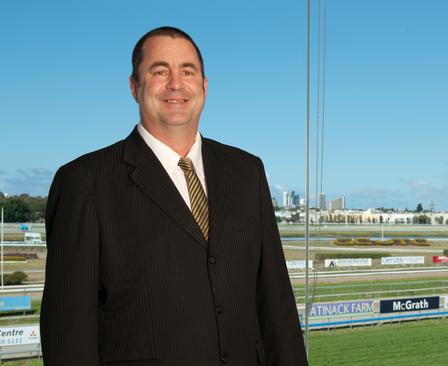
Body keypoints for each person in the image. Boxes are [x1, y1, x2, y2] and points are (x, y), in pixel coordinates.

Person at [41, 26, 308, 366]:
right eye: (160, 71)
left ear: (204, 86)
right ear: (134, 87)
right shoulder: (85, 182)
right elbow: (68, 332)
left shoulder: (247, 171)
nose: (175, 83)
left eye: (187, 71)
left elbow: (276, 304)